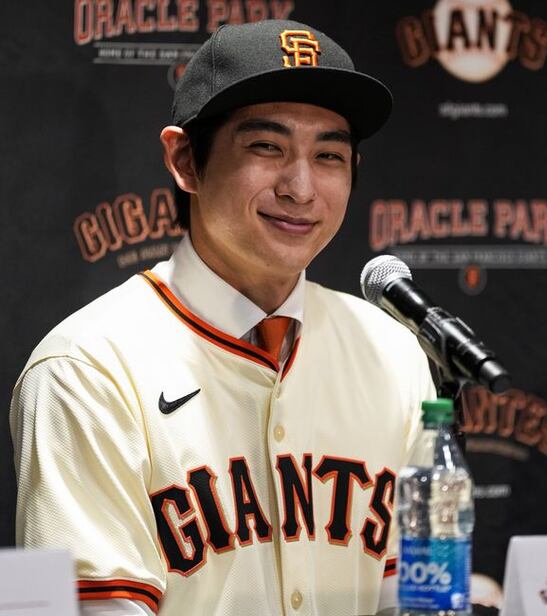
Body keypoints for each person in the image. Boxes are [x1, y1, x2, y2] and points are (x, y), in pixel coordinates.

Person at [10, 19, 434, 616]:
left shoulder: (393, 353)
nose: (301, 188)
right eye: (267, 147)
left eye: (329, 155)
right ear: (185, 159)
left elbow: (411, 598)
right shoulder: (87, 368)